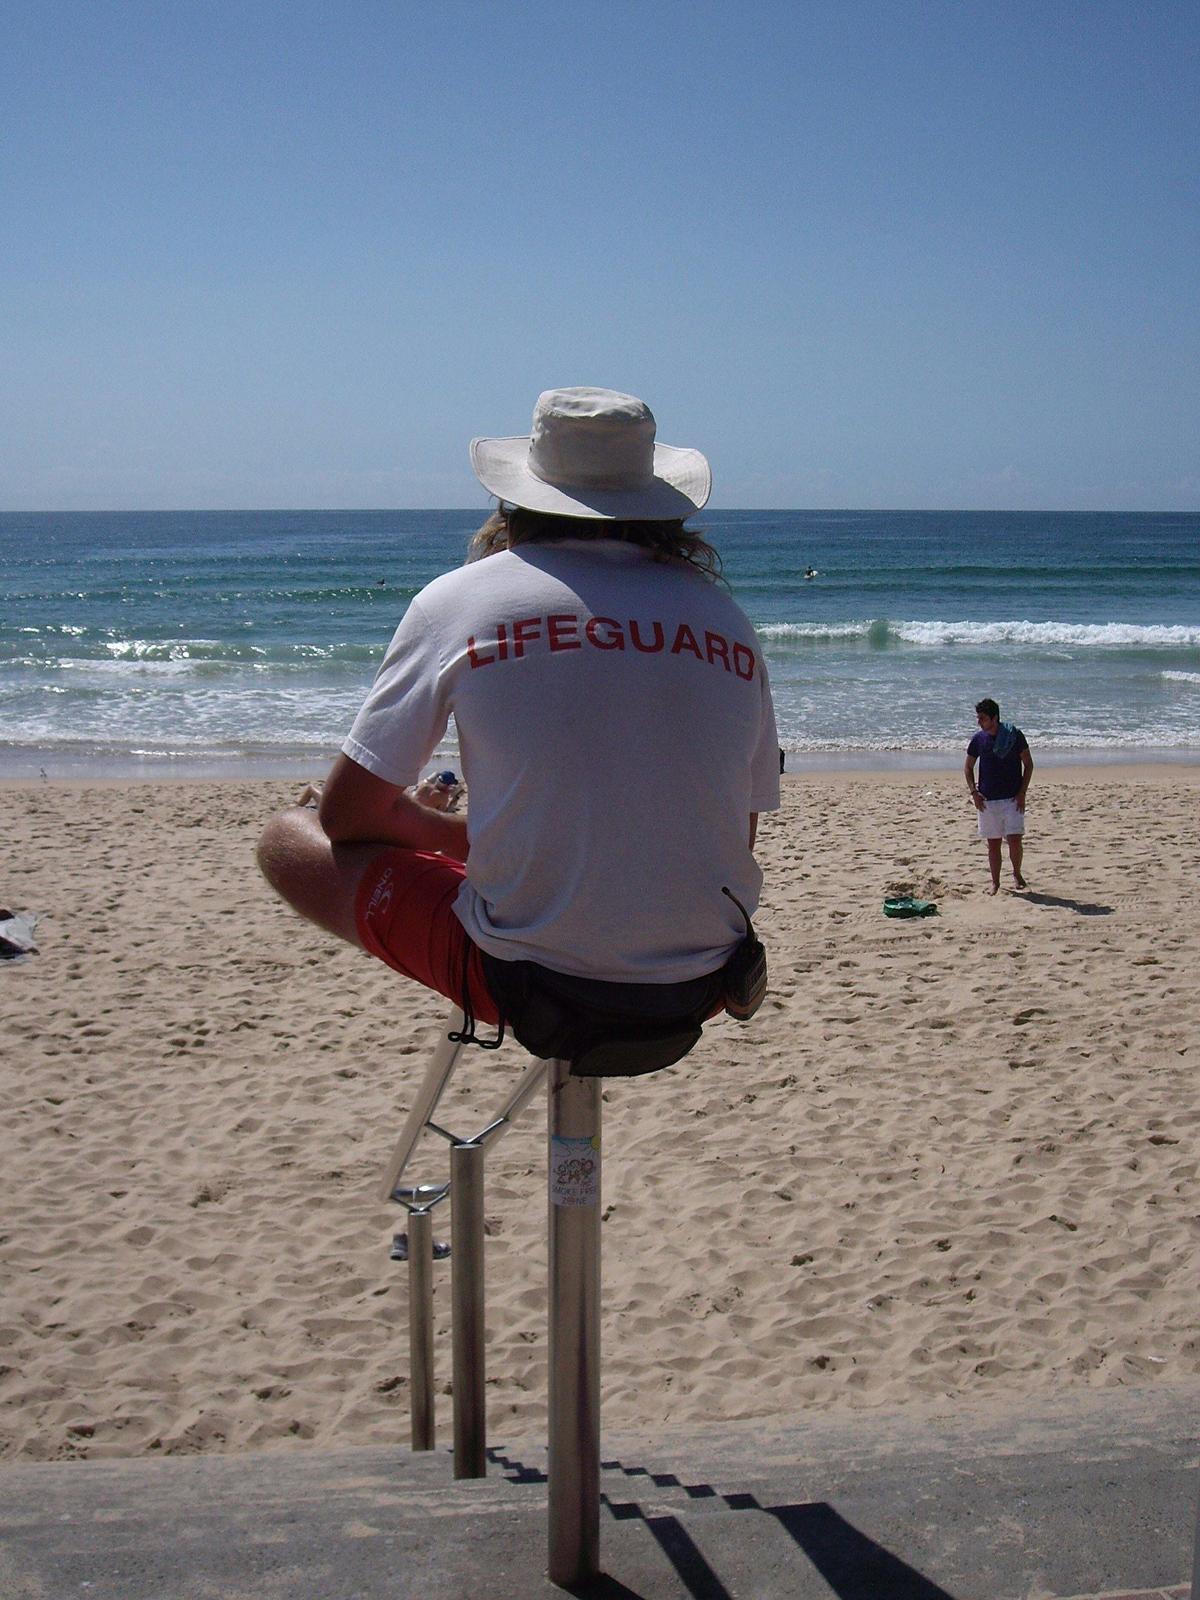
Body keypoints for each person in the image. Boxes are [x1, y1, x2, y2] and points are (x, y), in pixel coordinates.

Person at [256, 387, 780, 1067]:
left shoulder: (460, 601)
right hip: (701, 984)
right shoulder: (727, 622)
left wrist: (456, 835)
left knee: (289, 836)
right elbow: (732, 835)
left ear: (517, 500)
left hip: (527, 984)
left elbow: (347, 818)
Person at [964, 698, 1033, 894]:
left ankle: (1017, 874)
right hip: (987, 800)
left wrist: (1022, 793)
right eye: (978, 718)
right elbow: (968, 767)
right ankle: (995, 882)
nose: (979, 722)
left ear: (994, 718)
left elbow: (1028, 764)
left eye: (983, 718)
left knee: (1014, 840)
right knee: (993, 844)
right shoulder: (978, 739)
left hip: (1012, 798)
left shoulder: (1013, 735)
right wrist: (974, 793)